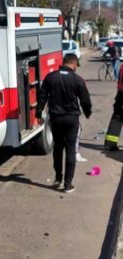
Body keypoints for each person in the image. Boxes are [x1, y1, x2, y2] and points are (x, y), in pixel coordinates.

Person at [36, 54, 92, 193]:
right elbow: (85, 99)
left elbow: (42, 96)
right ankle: (67, 184)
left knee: (58, 148)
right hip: (71, 119)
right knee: (71, 150)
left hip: (55, 118)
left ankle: (57, 178)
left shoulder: (50, 77)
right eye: (76, 66)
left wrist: (38, 112)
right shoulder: (78, 80)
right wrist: (87, 112)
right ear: (73, 64)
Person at [104, 64, 123, 151]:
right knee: (117, 118)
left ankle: (110, 144)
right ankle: (111, 144)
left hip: (120, 94)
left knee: (116, 119)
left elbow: (119, 81)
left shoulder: (122, 66)